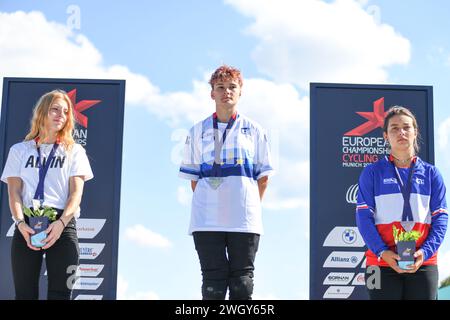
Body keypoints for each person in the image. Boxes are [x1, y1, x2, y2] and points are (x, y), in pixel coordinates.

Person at [178, 65, 274, 300]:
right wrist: (213, 201)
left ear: (241, 92)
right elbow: (194, 181)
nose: (226, 92)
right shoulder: (197, 130)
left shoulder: (254, 130)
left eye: (232, 87)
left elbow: (263, 178)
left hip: (244, 220)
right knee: (213, 285)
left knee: (242, 284)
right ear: (212, 93)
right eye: (220, 87)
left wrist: (247, 204)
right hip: (207, 220)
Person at [1, 89, 93, 300]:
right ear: (42, 112)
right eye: (55, 109)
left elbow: (76, 194)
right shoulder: (19, 150)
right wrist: (20, 223)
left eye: (65, 111)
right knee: (24, 295)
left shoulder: (75, 151)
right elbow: (14, 192)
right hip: (27, 225)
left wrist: (61, 224)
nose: (61, 114)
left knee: (60, 294)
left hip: (63, 224)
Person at [356, 106, 448, 300]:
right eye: (394, 128)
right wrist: (382, 252)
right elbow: (363, 218)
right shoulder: (371, 173)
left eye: (406, 127)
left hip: (423, 262)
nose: (401, 132)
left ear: (416, 132)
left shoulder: (432, 174)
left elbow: (441, 219)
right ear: (385, 136)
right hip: (380, 262)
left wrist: (425, 252)